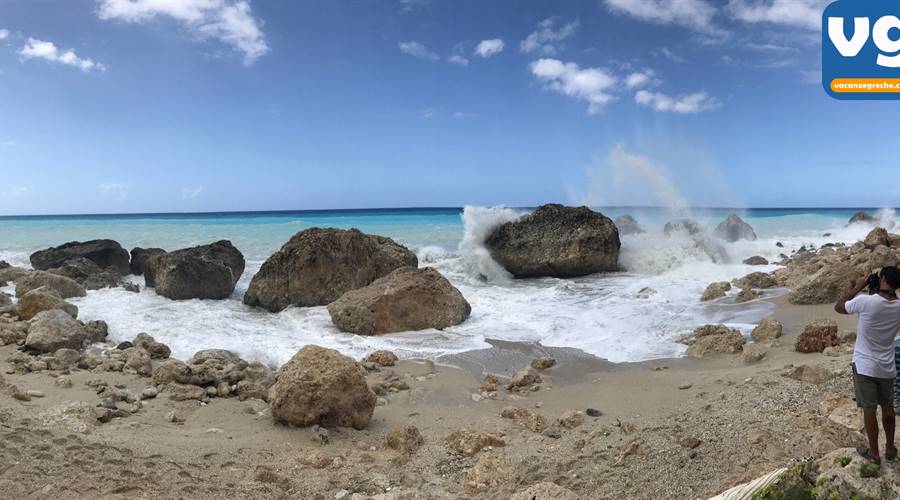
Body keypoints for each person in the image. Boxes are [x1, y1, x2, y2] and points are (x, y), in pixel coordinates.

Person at [835, 266, 900, 464]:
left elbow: (839, 306)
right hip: (886, 367)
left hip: (864, 366)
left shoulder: (865, 302)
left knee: (869, 409)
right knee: (888, 407)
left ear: (883, 280)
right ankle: (890, 448)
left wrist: (858, 287)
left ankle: (874, 453)